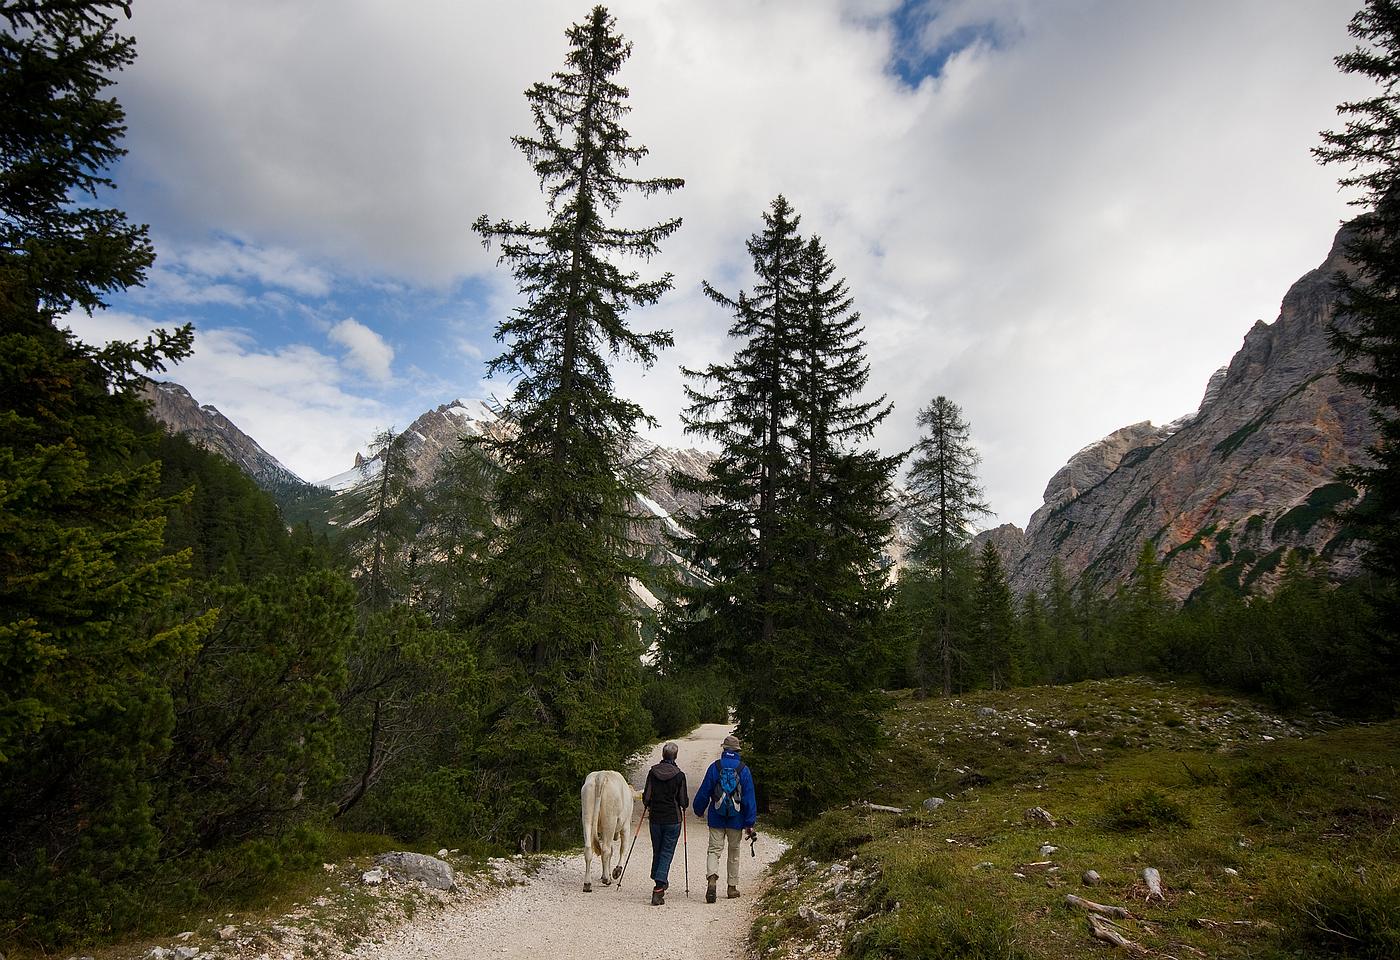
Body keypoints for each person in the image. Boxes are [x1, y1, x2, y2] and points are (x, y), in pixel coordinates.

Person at [691, 733, 756, 903]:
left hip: (716, 817)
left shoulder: (715, 767)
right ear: (737, 750)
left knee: (714, 850)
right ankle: (731, 887)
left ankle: (712, 879)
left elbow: (705, 791)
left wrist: (699, 810)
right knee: (733, 852)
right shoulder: (744, 769)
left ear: (724, 749)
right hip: (737, 819)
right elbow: (749, 798)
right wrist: (750, 822)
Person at [642, 741, 689, 906]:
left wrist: (649, 804)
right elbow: (683, 801)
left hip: (655, 819)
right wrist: (682, 805)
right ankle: (659, 887)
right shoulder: (679, 775)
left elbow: (646, 797)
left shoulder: (653, 772)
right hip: (672, 819)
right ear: (675, 756)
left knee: (658, 849)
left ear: (663, 755)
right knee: (667, 852)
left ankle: (658, 878)